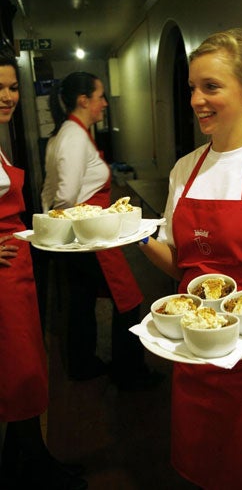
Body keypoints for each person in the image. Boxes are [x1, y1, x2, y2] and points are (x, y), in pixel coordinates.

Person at [138, 28, 242, 489]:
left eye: (211, 87)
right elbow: (181, 266)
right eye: (192, 87)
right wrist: (132, 237)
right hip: (190, 352)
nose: (196, 100)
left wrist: (218, 328)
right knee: (199, 472)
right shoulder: (185, 168)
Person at [0, 43, 88, 489]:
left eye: (12, 87)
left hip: (15, 270)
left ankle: (25, 459)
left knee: (28, 370)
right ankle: (31, 468)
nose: (7, 96)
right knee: (19, 375)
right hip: (2, 277)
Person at [41, 71, 161, 389]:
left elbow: (48, 191)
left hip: (76, 235)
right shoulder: (74, 137)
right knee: (128, 298)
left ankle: (82, 363)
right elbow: (65, 195)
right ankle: (129, 372)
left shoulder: (62, 135)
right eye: (100, 96)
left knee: (81, 299)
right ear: (84, 101)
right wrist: (74, 228)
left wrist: (53, 230)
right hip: (89, 236)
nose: (105, 103)